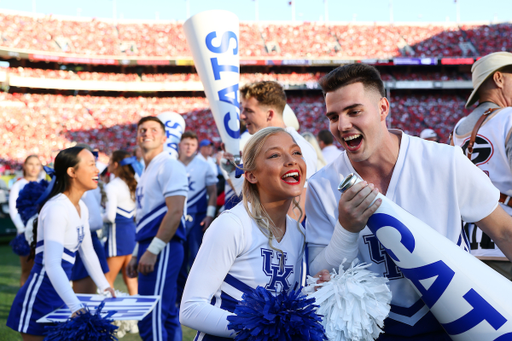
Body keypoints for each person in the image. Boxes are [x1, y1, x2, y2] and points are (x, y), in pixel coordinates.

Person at [305, 63, 512, 340]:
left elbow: (504, 231)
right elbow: (319, 276)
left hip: (457, 321)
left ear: (382, 108)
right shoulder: (322, 185)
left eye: (354, 111)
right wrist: (346, 228)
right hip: (373, 328)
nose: (342, 125)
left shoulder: (444, 162)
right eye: (333, 116)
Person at [181, 127, 327, 339]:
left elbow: (281, 304)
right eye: (275, 155)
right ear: (250, 175)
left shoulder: (297, 232)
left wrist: (314, 293)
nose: (291, 160)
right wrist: (259, 330)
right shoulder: (232, 225)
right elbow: (190, 309)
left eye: (296, 152)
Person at [7, 146, 115, 341]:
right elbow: (52, 265)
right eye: (91, 164)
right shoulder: (57, 208)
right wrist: (77, 308)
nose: (97, 170)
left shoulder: (80, 206)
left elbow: (88, 252)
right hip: (40, 298)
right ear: (72, 172)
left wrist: (105, 286)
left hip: (61, 296)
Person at [127, 116, 188, 341]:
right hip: (150, 245)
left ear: (164, 137)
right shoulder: (147, 170)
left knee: (150, 316)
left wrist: (152, 251)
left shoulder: (169, 164)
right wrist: (137, 253)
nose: (146, 133)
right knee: (168, 314)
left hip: (164, 246)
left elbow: (175, 211)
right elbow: (144, 218)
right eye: (142, 129)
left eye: (153, 129)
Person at [452, 51, 512, 280]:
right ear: (498, 79)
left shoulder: (457, 128)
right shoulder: (509, 118)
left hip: (468, 247)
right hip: (505, 243)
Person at [239, 81, 318, 221]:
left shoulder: (298, 147)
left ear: (269, 114)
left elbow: (295, 213)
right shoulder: (263, 147)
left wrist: (274, 242)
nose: (242, 116)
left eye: (249, 111)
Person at [176, 131, 218, 302]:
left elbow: (213, 192)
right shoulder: (171, 164)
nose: (188, 147)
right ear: (179, 145)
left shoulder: (205, 165)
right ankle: (179, 297)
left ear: (196, 147)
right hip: (176, 216)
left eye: (192, 145)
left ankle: (196, 298)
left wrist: (209, 215)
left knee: (196, 260)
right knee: (177, 259)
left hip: (197, 216)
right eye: (186, 144)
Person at [70, 144, 110, 294]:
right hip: (84, 242)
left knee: (85, 300)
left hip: (86, 243)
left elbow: (97, 221)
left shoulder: (86, 190)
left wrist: (69, 229)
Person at [103, 150, 138, 295]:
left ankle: (107, 316)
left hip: (118, 234)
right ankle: (137, 316)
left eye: (110, 161)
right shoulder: (134, 182)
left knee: (106, 281)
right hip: (132, 232)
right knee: (130, 279)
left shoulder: (112, 186)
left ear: (116, 164)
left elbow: (110, 216)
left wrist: (94, 218)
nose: (108, 165)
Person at [9, 155, 42, 286]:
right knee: (27, 270)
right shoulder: (18, 185)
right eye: (31, 164)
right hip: (25, 233)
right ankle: (23, 303)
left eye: (37, 164)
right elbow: (13, 210)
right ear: (24, 166)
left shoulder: (44, 185)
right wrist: (23, 229)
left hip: (42, 233)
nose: (34, 168)